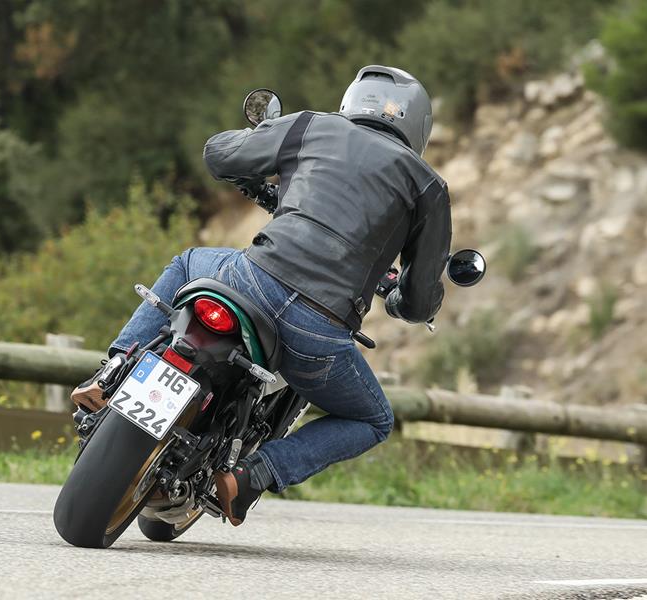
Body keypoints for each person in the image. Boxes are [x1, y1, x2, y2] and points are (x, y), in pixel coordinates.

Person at [72, 65, 452, 526]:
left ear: (352, 101)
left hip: (251, 279)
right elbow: (420, 299)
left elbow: (220, 154)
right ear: (418, 125)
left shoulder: (313, 125)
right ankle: (252, 475)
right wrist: (397, 301)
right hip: (317, 329)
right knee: (373, 420)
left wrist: (269, 147)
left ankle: (112, 370)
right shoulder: (428, 186)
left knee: (189, 260)